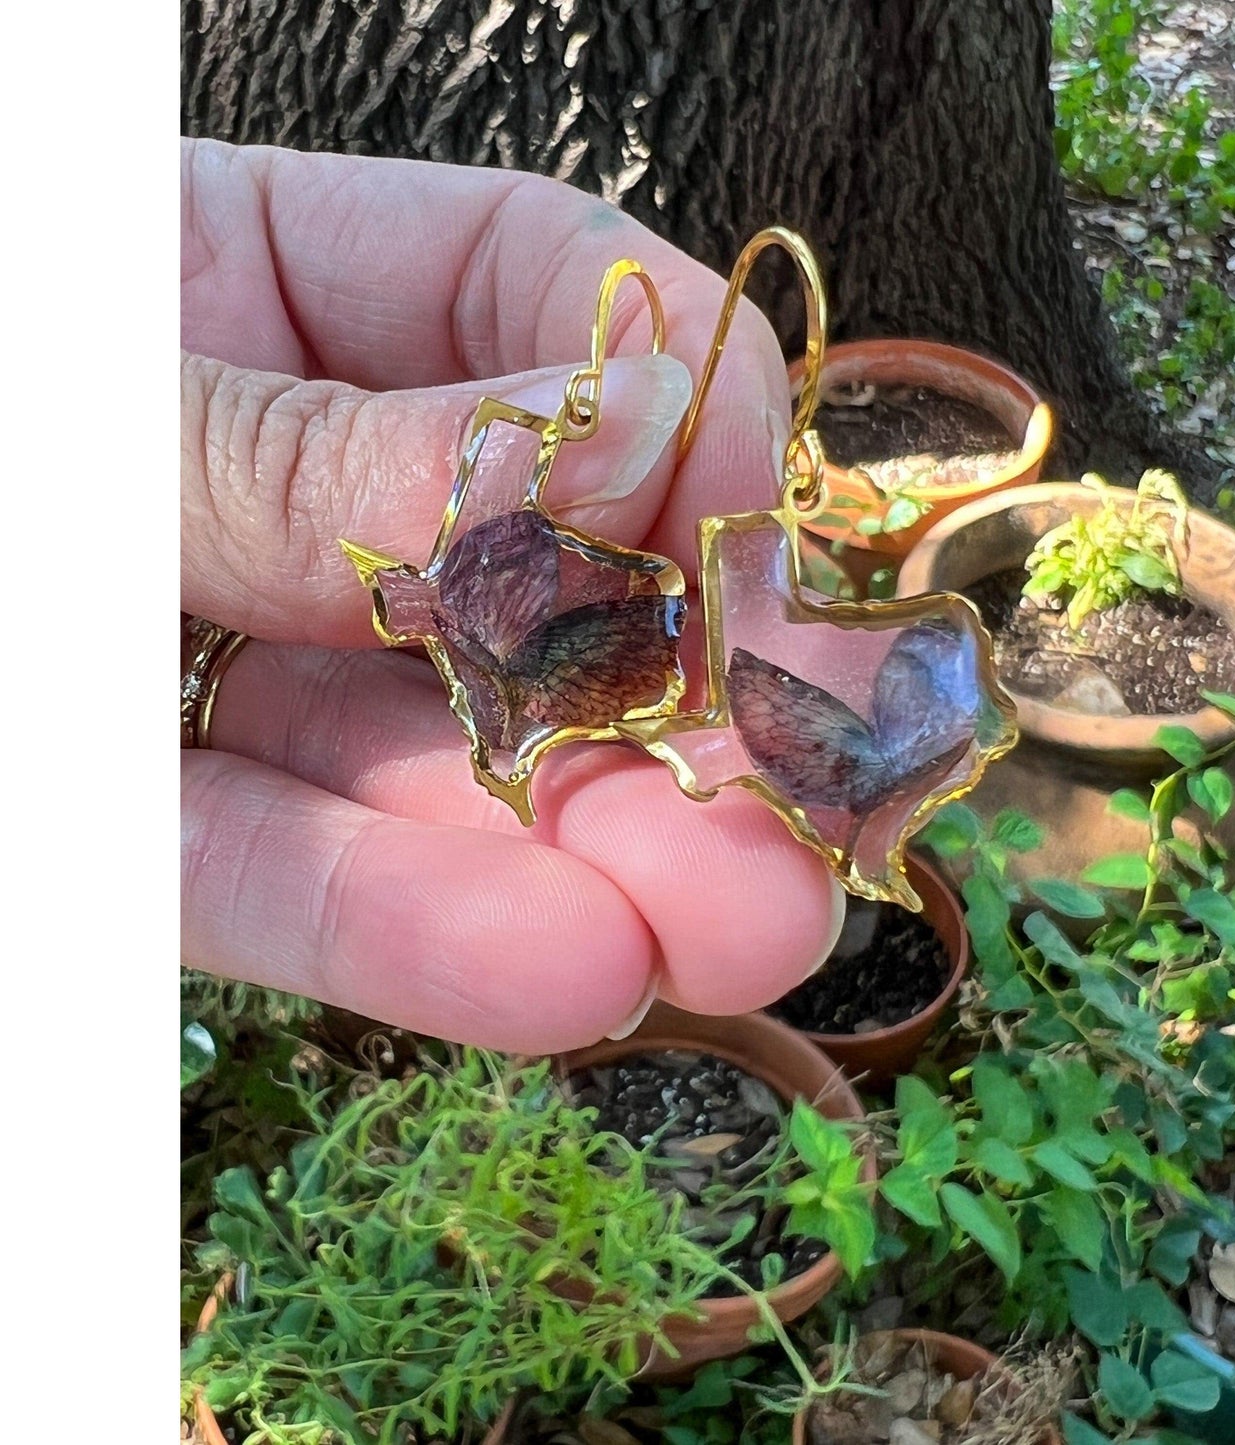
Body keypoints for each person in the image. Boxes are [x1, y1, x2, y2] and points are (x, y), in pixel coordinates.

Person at [181, 138, 846, 1054]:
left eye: (400, 597)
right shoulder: (477, 581)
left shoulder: (507, 580)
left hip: (603, 645)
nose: (397, 608)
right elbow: (500, 704)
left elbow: (516, 682)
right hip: (572, 654)